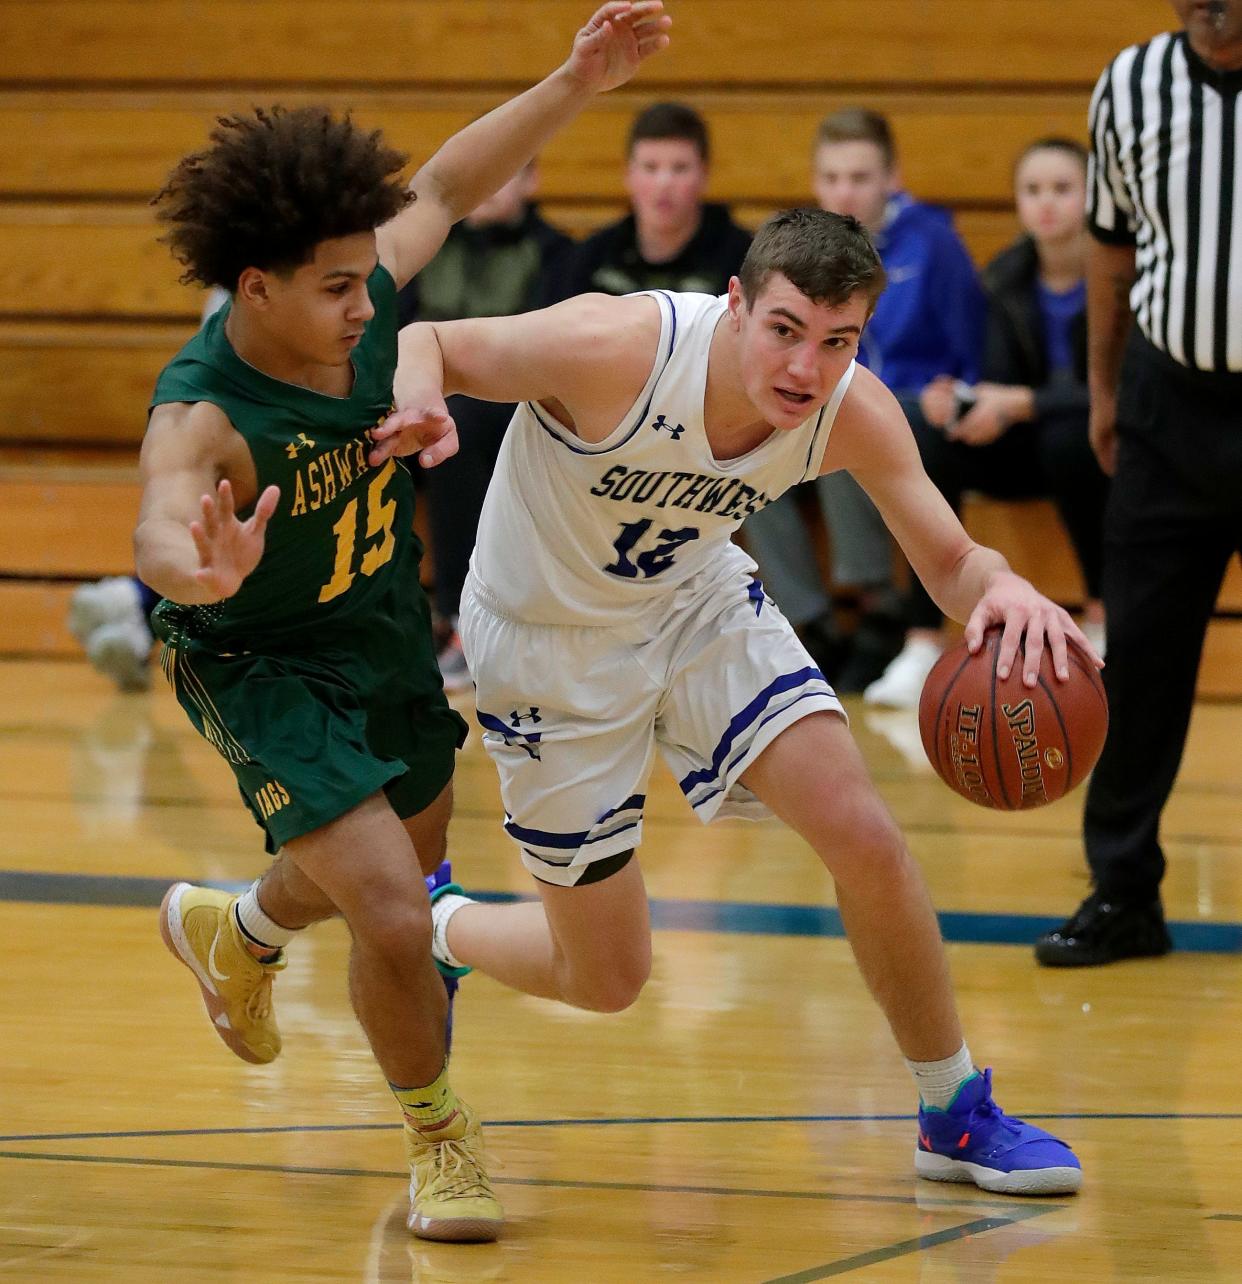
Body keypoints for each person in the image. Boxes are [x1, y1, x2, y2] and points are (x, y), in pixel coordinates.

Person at [376, 208, 1098, 1197]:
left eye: (837, 341)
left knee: (867, 834)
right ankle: (445, 925)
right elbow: (433, 340)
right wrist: (419, 399)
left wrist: (1003, 586)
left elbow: (951, 560)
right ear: (736, 305)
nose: (807, 366)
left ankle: (952, 1112)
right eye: (786, 329)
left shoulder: (852, 408)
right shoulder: (619, 347)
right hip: (549, 643)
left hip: (691, 601)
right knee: (608, 978)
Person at [134, 1, 671, 1244]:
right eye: (335, 289)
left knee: (386, 856)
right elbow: (163, 521)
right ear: (254, 287)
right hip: (259, 658)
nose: (368, 307)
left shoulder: (352, 286)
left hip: (382, 626)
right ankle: (440, 1138)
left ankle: (241, 928)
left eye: (364, 276)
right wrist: (200, 568)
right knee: (392, 903)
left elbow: (446, 179)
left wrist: (576, 80)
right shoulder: (202, 410)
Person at [1036, 0, 1242, 967]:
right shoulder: (1131, 83)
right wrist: (1107, 389)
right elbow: (1111, 253)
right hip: (1169, 406)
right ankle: (1123, 894)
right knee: (1144, 664)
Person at [741, 108, 986, 695]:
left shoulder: (932, 243)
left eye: (859, 177)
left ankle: (878, 605)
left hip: (908, 403)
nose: (843, 192)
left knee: (839, 419)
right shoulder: (802, 252)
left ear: (891, 178)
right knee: (745, 444)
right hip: (828, 396)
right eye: (830, 178)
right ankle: (809, 621)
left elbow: (974, 345)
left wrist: (961, 389)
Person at [868, 138, 1110, 709]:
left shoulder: (1118, 275)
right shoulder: (1004, 278)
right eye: (1032, 190)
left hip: (1104, 449)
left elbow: (1123, 392)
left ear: (1092, 197)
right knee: (927, 436)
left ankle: (1102, 615)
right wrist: (960, 402)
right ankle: (922, 638)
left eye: (1061, 189)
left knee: (1067, 436)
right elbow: (994, 378)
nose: (1045, 203)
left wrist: (1023, 402)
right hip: (1028, 450)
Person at [396, 162, 572, 689]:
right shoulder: (429, 246)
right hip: (423, 397)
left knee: (458, 430)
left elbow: (551, 352)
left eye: (506, 175)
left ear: (530, 181)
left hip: (510, 409)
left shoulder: (556, 252)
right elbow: (395, 329)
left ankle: (459, 618)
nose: (491, 187)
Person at [553, 100, 752, 299]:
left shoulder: (743, 260)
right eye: (650, 167)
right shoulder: (591, 260)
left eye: (680, 168)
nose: (664, 183)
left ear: (704, 174)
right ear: (628, 174)